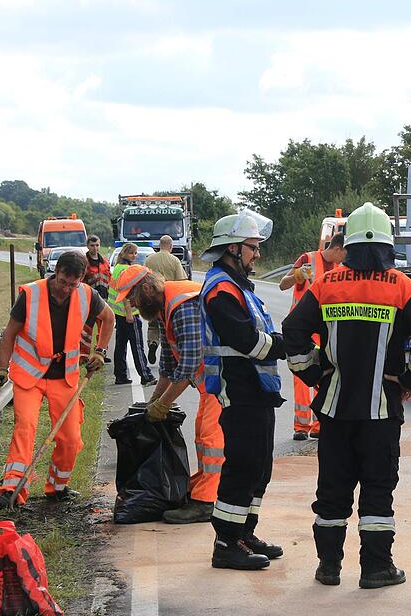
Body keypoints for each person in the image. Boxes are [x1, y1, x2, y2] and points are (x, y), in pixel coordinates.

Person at [284, 202, 411, 589]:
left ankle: (328, 567)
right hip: (381, 412)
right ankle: (376, 568)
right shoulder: (402, 286)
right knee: (378, 490)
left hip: (334, 410)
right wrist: (410, 380)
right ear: (388, 245)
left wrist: (313, 373)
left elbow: (293, 330)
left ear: (348, 244)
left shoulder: (326, 284)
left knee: (332, 491)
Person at [194, 211, 286, 571]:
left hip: (256, 388)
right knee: (243, 463)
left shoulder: (238, 286)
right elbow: (247, 341)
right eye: (253, 247)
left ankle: (245, 533)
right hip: (238, 387)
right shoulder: (221, 290)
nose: (257, 254)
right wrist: (287, 345)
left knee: (260, 464)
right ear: (233, 248)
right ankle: (226, 543)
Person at [110, 264, 232, 533]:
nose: (132, 305)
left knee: (210, 438)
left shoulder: (182, 307)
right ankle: (201, 488)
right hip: (213, 381)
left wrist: (163, 405)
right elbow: (168, 365)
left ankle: (206, 502)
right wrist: (153, 401)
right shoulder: (164, 310)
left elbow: (188, 365)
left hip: (226, 377)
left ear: (147, 289)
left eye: (132, 298)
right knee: (202, 433)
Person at [0, 250, 114, 507]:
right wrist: (2, 368)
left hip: (64, 376)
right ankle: (11, 489)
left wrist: (100, 352)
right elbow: (9, 334)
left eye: (73, 284)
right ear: (55, 272)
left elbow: (109, 318)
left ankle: (57, 487)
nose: (66, 289)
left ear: (81, 279)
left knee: (70, 438)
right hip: (30, 375)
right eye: (63, 282)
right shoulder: (31, 295)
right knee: (25, 427)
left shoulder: (87, 295)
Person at [279, 233, 347, 440]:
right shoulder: (307, 259)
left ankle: (319, 424)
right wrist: (297, 275)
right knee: (301, 378)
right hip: (302, 330)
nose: (345, 259)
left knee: (324, 375)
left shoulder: (340, 269)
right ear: (337, 249)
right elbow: (283, 284)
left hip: (324, 330)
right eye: (344, 254)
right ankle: (301, 426)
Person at [108, 243, 155, 386]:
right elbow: (126, 295)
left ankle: (120, 375)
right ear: (124, 254)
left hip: (118, 313)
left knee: (121, 345)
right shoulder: (126, 270)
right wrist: (129, 313)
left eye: (135, 253)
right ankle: (146, 376)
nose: (134, 256)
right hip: (129, 314)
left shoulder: (118, 267)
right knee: (137, 346)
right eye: (131, 253)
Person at [145, 234, 188, 364]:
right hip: (169, 299)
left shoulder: (149, 259)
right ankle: (170, 353)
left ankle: (153, 343)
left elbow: (144, 277)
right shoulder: (174, 260)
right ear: (171, 246)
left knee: (153, 325)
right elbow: (181, 280)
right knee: (169, 327)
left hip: (152, 297)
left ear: (159, 245)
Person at [82, 235, 112, 364]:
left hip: (103, 299)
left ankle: (101, 353)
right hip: (88, 300)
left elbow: (109, 277)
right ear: (87, 246)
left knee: (103, 328)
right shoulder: (84, 262)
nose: (95, 248)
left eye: (97, 245)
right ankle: (83, 355)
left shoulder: (104, 261)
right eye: (92, 245)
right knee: (86, 329)